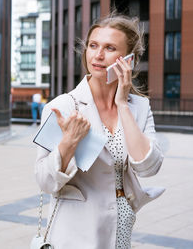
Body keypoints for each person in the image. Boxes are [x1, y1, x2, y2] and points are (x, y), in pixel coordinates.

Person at [34, 13, 164, 249]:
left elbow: (149, 167)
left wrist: (123, 104)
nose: (98, 55)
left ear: (129, 59)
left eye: (110, 47)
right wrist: (68, 143)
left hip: (121, 227)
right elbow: (44, 181)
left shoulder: (139, 107)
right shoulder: (63, 106)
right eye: (93, 46)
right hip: (76, 231)